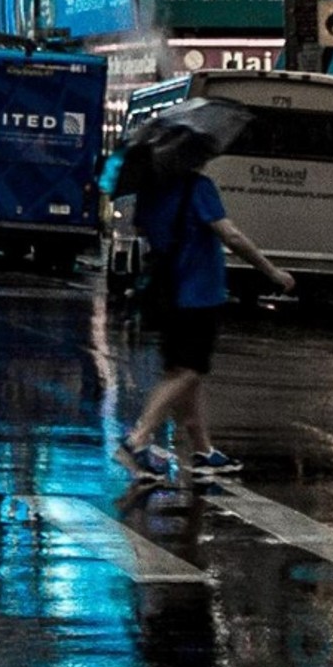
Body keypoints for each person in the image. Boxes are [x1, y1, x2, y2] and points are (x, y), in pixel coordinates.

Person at [119, 149, 294, 484]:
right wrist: (272, 272)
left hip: (166, 295)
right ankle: (138, 438)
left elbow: (141, 229)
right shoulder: (198, 187)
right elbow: (230, 235)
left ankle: (203, 451)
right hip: (198, 294)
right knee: (188, 373)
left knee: (184, 372)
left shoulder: (150, 190)